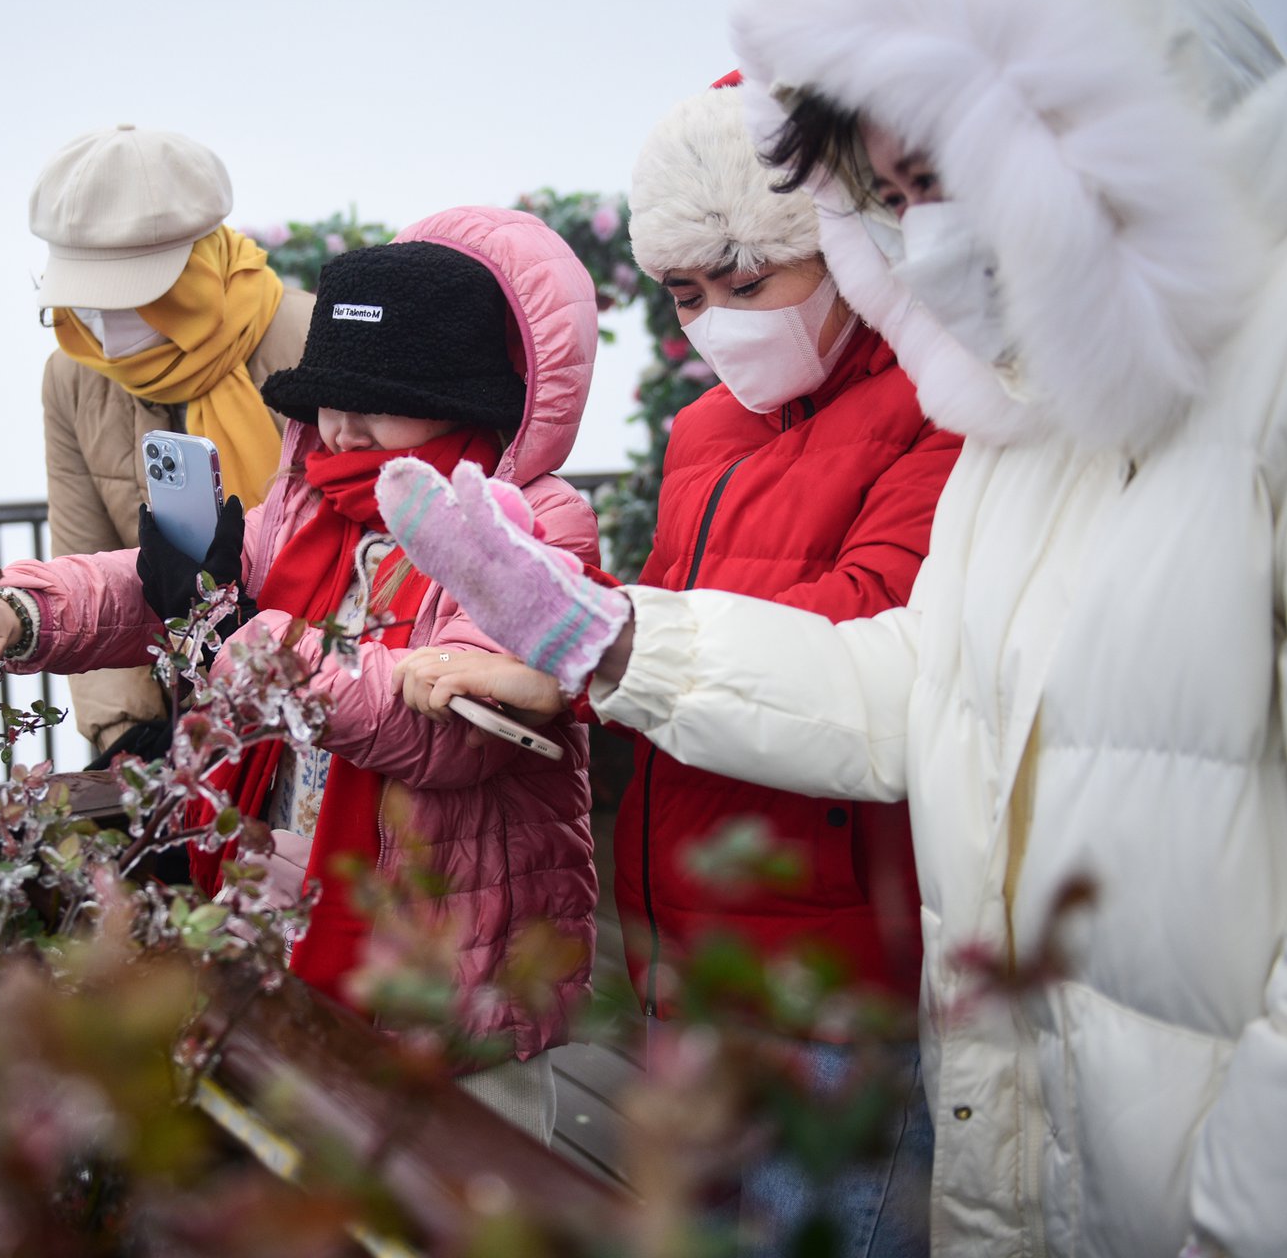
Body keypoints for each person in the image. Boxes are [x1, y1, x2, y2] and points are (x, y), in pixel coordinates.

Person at [377, 0, 1287, 1252]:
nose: (921, 239)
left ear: (1080, 100)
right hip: (1039, 1131)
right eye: (885, 202)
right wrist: (604, 636)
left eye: (938, 172)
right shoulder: (1027, 416)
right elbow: (913, 685)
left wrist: (1247, 1223)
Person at [403, 80, 957, 1254]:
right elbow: (669, 631)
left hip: (834, 963)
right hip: (680, 936)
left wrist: (596, 633)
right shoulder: (706, 430)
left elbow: (867, 626)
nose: (718, 320)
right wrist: (556, 669)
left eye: (749, 281)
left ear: (845, 246)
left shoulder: (935, 408)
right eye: (688, 294)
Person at [0, 208, 603, 1142]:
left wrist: (232, 629)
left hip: (448, 956)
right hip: (291, 899)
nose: (338, 423)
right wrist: (31, 613)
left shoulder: (532, 527)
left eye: (372, 395)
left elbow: (444, 733)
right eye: (324, 396)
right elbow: (162, 595)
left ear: (467, 398)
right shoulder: (309, 506)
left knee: (469, 1196)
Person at [28, 124, 313, 764]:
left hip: (316, 700)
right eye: (79, 295)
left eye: (119, 293)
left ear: (192, 267)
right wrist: (124, 732)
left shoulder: (306, 337)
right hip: (172, 715)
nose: (93, 323)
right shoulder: (72, 374)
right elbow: (83, 549)